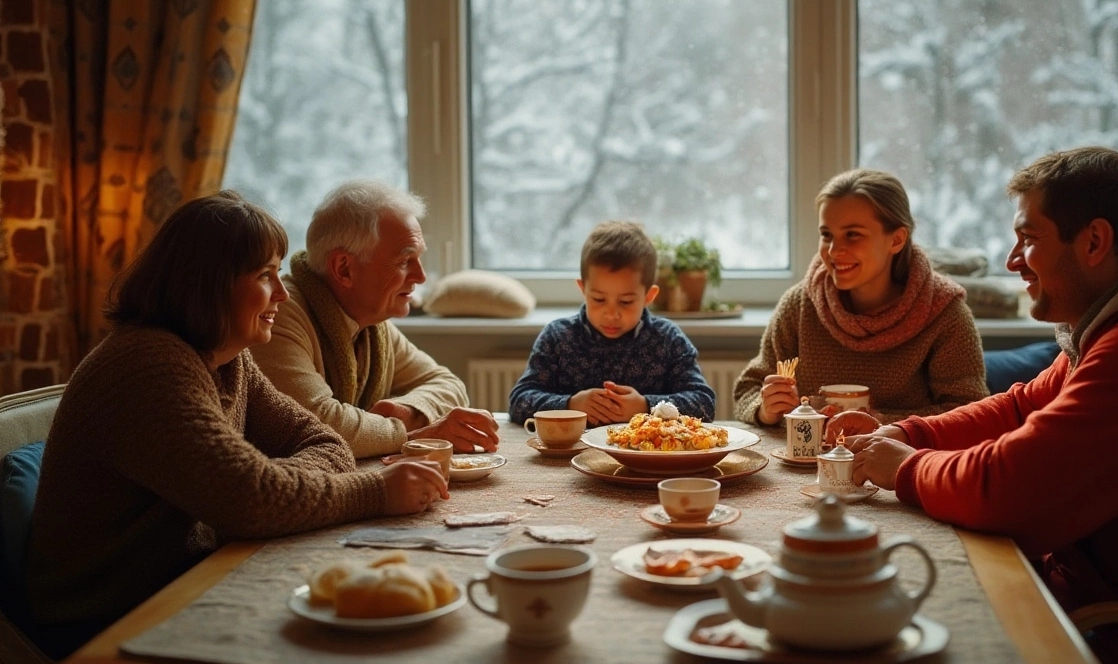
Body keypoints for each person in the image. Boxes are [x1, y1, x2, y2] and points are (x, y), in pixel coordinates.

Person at [839, 147, 1118, 664]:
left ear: (1094, 242)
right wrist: (910, 431)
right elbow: (1022, 405)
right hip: (1098, 608)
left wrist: (905, 466)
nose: (1011, 260)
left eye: (1028, 239)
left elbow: (1008, 489)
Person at [25, 192, 449, 657]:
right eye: (265, 275)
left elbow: (324, 442)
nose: (283, 293)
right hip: (102, 622)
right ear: (209, 284)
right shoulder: (147, 364)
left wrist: (272, 485)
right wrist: (377, 492)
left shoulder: (229, 359)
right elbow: (251, 500)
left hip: (181, 587)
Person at [252, 180, 498, 458]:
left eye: (419, 259)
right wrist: (414, 433)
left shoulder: (373, 326)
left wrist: (407, 410)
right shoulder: (278, 314)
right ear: (344, 268)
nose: (421, 276)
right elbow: (321, 424)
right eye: (405, 261)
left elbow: (448, 383)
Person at [733, 168, 987, 428]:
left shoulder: (945, 312)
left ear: (897, 240)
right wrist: (765, 409)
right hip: (808, 465)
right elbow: (747, 391)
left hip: (902, 464)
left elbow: (970, 415)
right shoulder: (800, 305)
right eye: (826, 235)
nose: (834, 251)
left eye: (852, 234)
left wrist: (882, 424)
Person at [508, 221, 715, 426]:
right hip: (570, 456)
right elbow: (519, 401)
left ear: (648, 296)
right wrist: (569, 405)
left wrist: (646, 407)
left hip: (643, 457)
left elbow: (704, 404)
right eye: (599, 299)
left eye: (626, 302)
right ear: (583, 289)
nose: (612, 314)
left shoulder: (668, 339)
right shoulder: (557, 337)